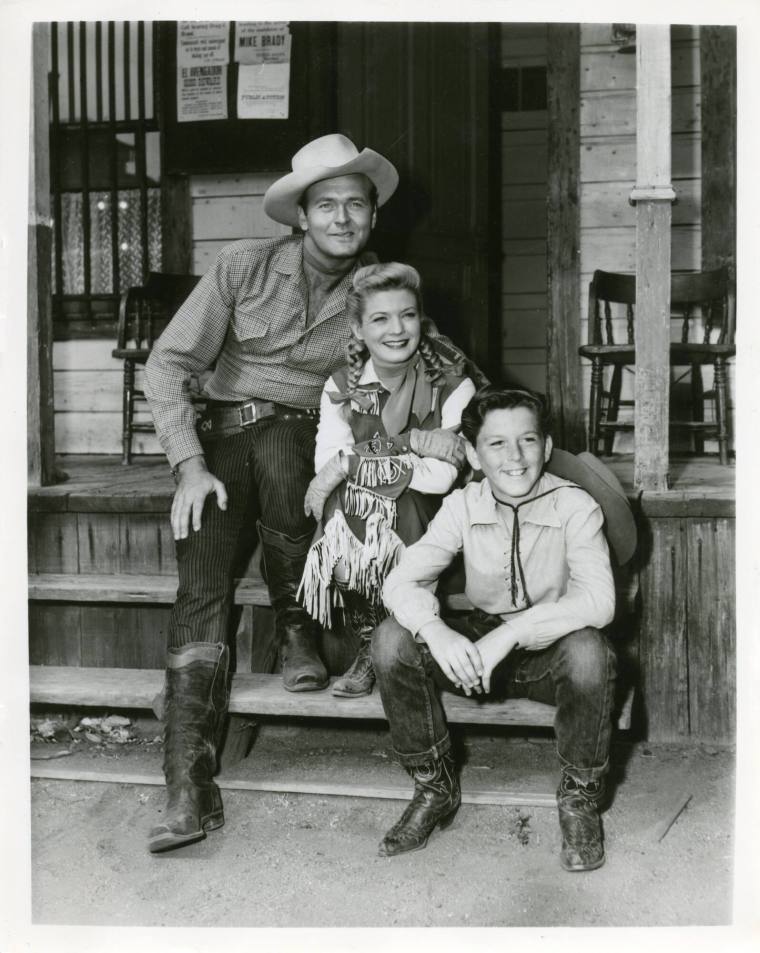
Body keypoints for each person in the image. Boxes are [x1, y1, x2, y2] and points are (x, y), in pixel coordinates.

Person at [142, 134, 467, 854]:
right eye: (327, 205)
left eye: (357, 204)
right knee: (200, 579)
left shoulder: (379, 290)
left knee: (288, 445)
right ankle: (186, 788)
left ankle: (298, 623)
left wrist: (488, 426)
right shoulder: (241, 266)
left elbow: (440, 360)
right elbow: (167, 364)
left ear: (372, 217)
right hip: (222, 442)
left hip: (307, 448)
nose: (343, 217)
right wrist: (188, 464)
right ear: (300, 215)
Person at [372, 384, 635, 872]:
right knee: (391, 639)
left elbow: (600, 601)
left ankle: (579, 798)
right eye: (496, 443)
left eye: (528, 440)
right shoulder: (461, 505)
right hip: (476, 654)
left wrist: (513, 634)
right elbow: (400, 582)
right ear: (473, 453)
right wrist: (436, 630)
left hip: (546, 657)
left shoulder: (575, 506)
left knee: (589, 650)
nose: (515, 457)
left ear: (548, 446)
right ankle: (434, 785)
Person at [297, 262, 476, 697]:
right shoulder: (341, 386)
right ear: (358, 329)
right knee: (346, 501)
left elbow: (439, 480)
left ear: (421, 319)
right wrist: (412, 444)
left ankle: (391, 641)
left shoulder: (453, 386)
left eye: (408, 315)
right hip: (369, 525)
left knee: (398, 496)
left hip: (436, 525)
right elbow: (327, 462)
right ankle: (370, 641)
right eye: (380, 318)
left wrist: (353, 461)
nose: (397, 329)